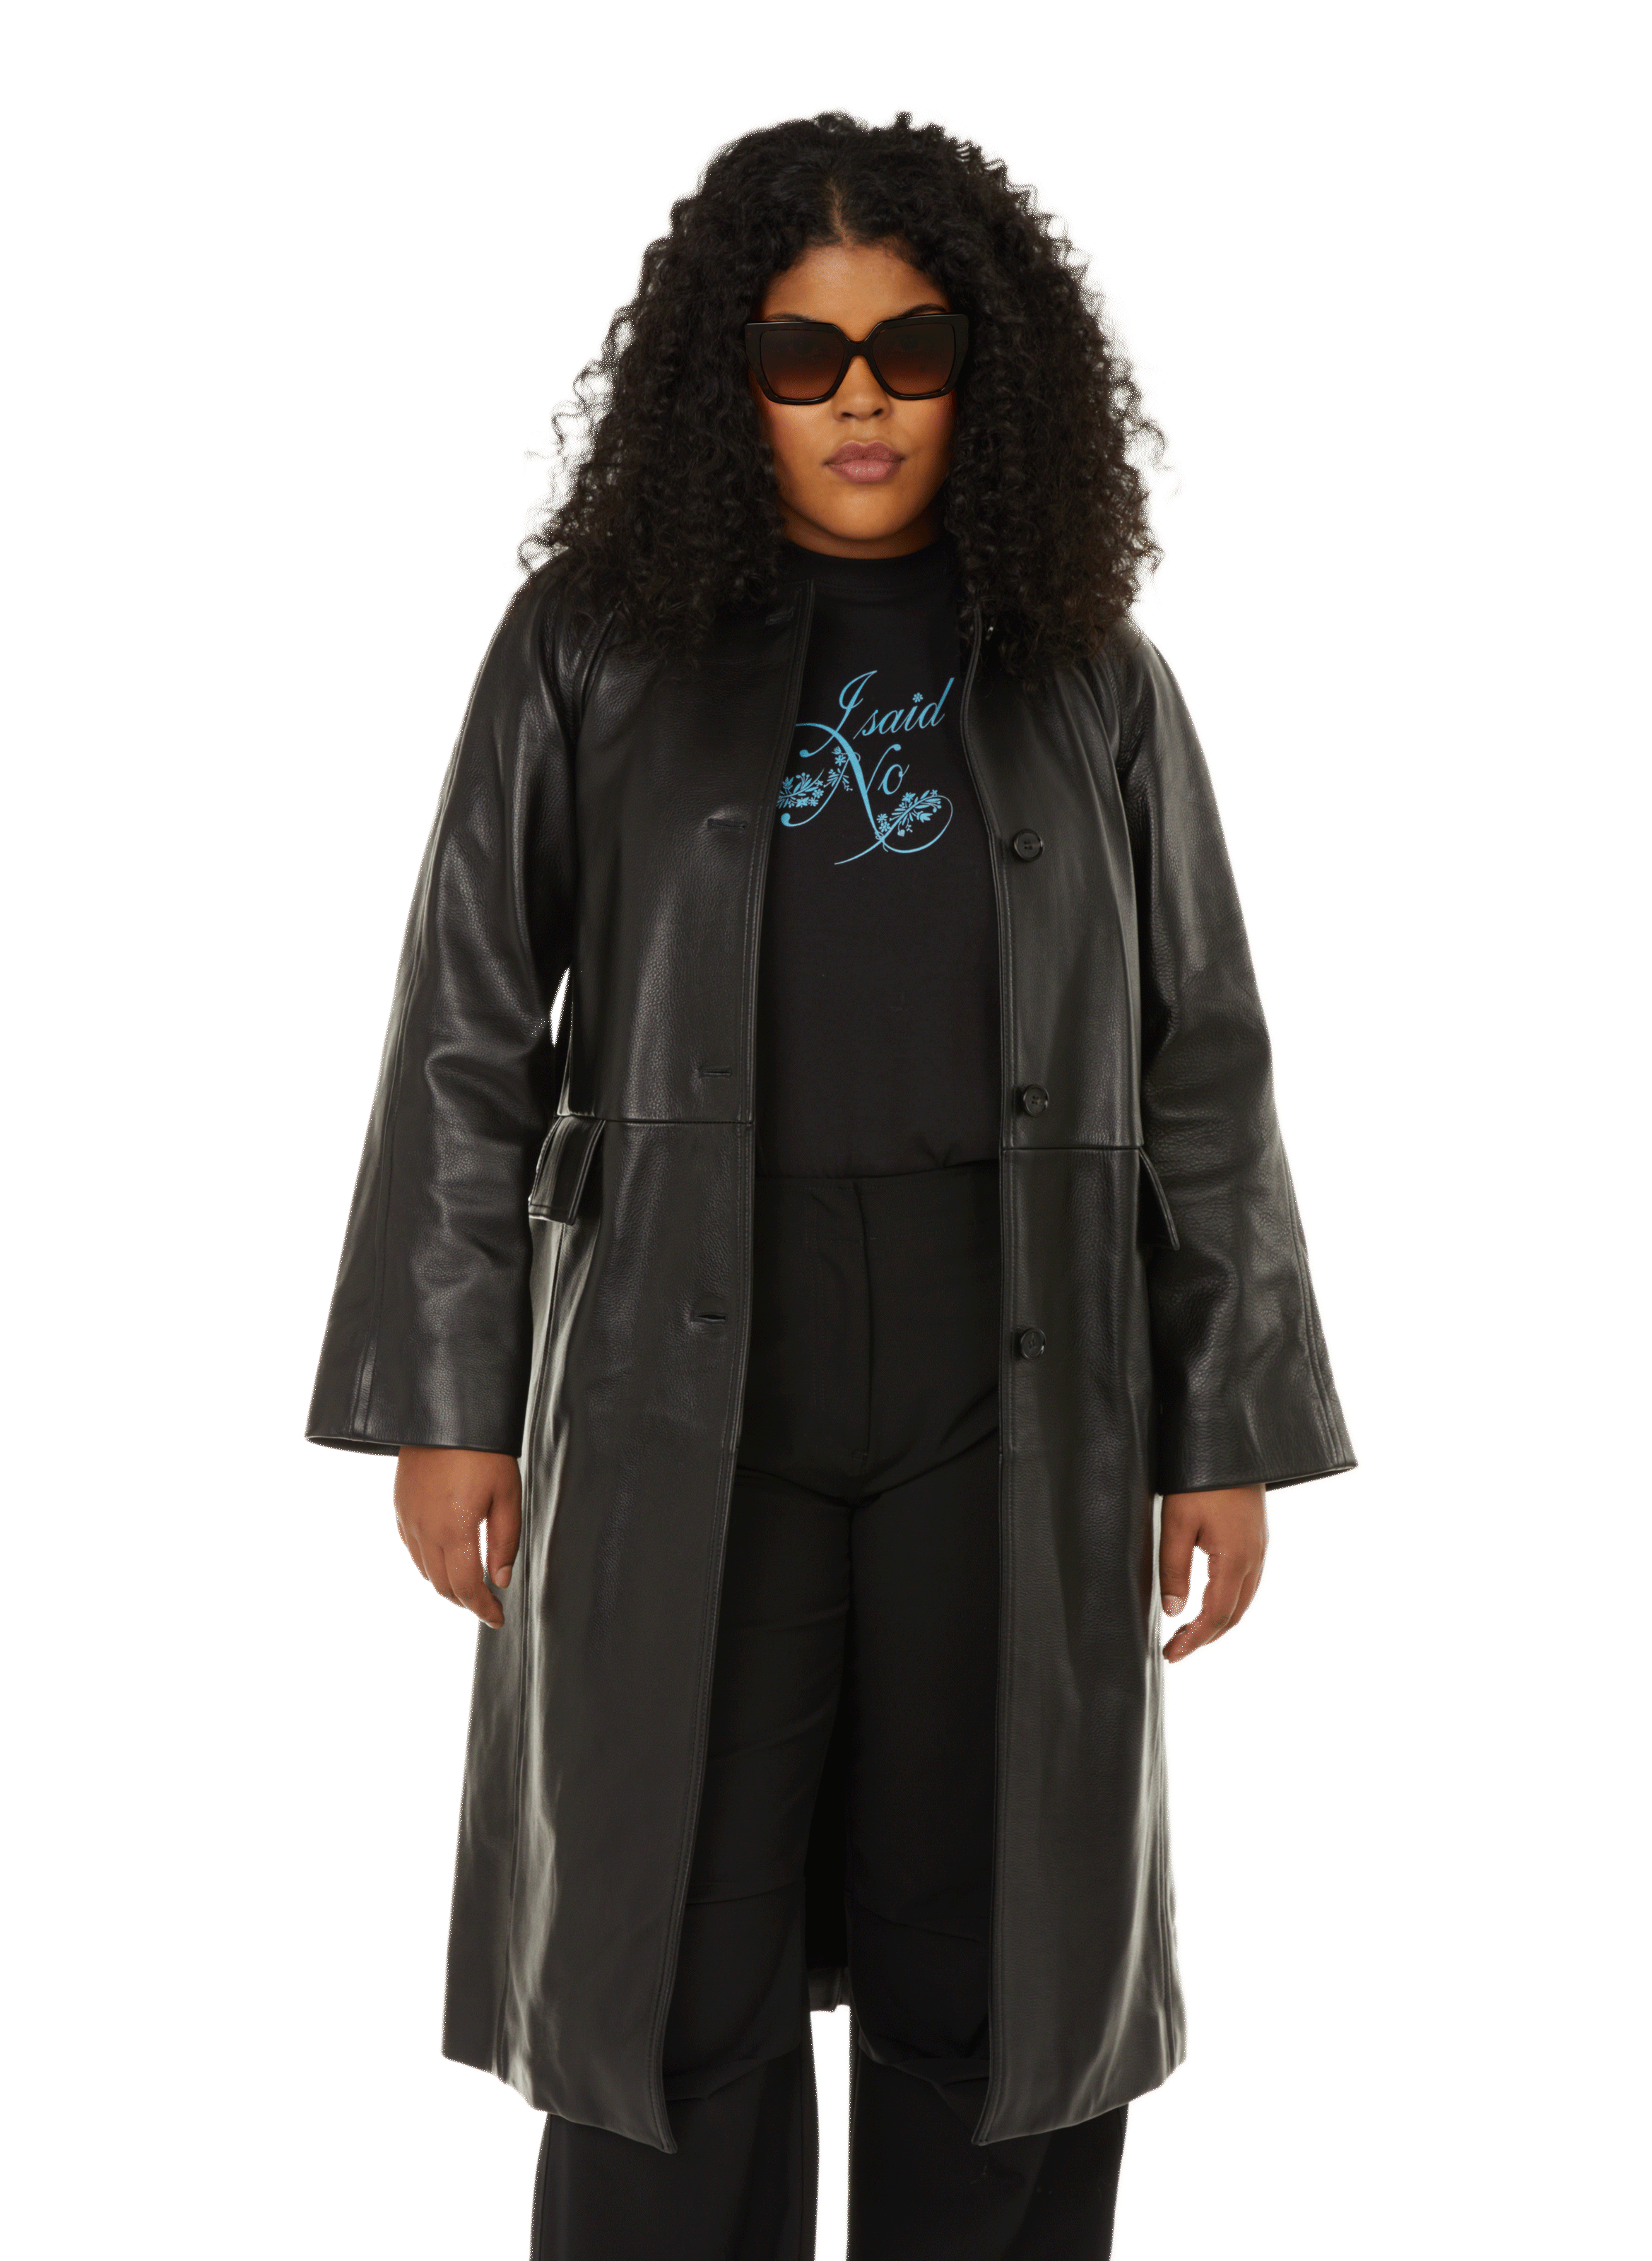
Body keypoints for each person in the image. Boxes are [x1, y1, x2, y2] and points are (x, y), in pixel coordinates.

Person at [308, 110, 1352, 2260]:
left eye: (911, 349)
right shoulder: (591, 648)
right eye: (803, 354)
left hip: (1014, 1370)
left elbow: (1205, 1061)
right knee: (669, 1957)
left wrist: (1223, 1421)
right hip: (689, 1370)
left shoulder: (1092, 676)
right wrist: (447, 1396)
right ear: (735, 380)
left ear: (988, 375)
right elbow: (470, 1021)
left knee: (997, 1955)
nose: (861, 398)